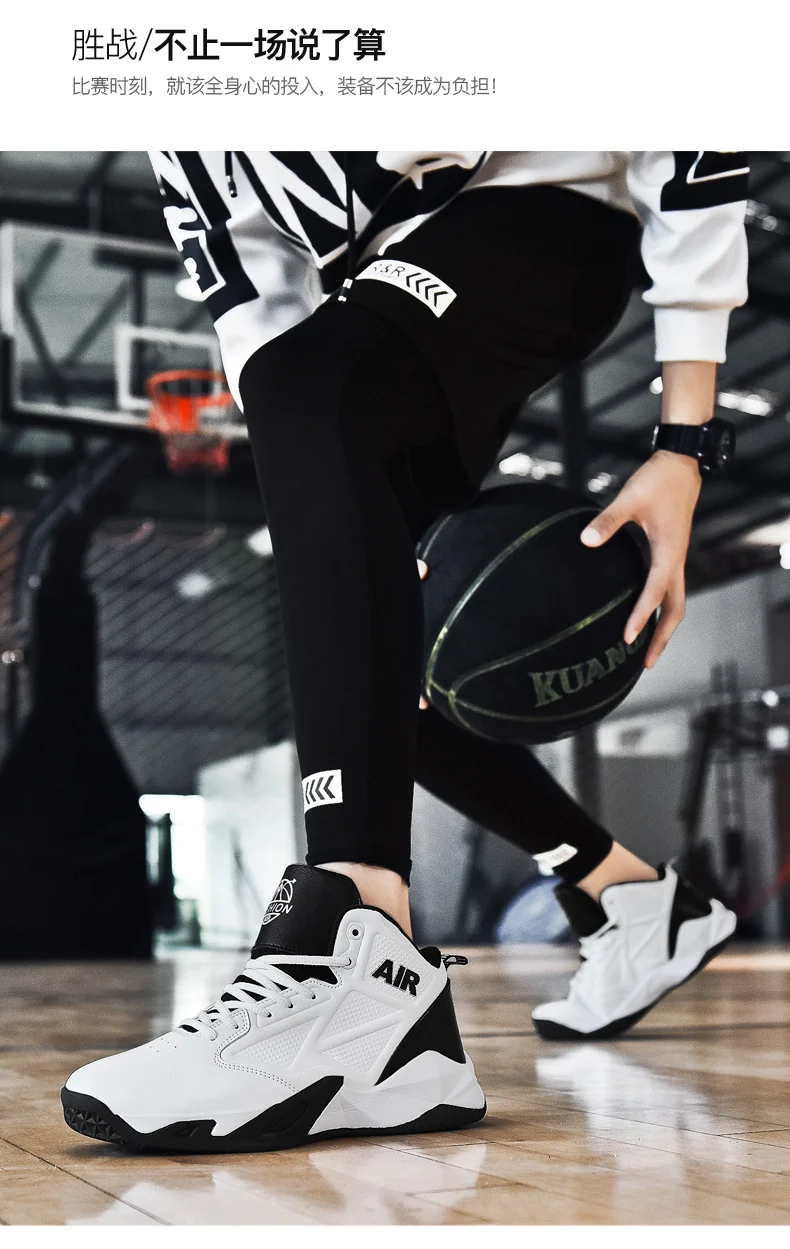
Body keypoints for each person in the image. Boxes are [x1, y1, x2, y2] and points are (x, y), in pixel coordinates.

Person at [62, 152, 747, 1151]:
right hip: (375, 281)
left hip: (544, 211)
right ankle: (629, 897)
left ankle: (354, 956)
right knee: (373, 665)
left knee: (314, 408)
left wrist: (685, 440)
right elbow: (252, 282)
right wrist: (321, 483)